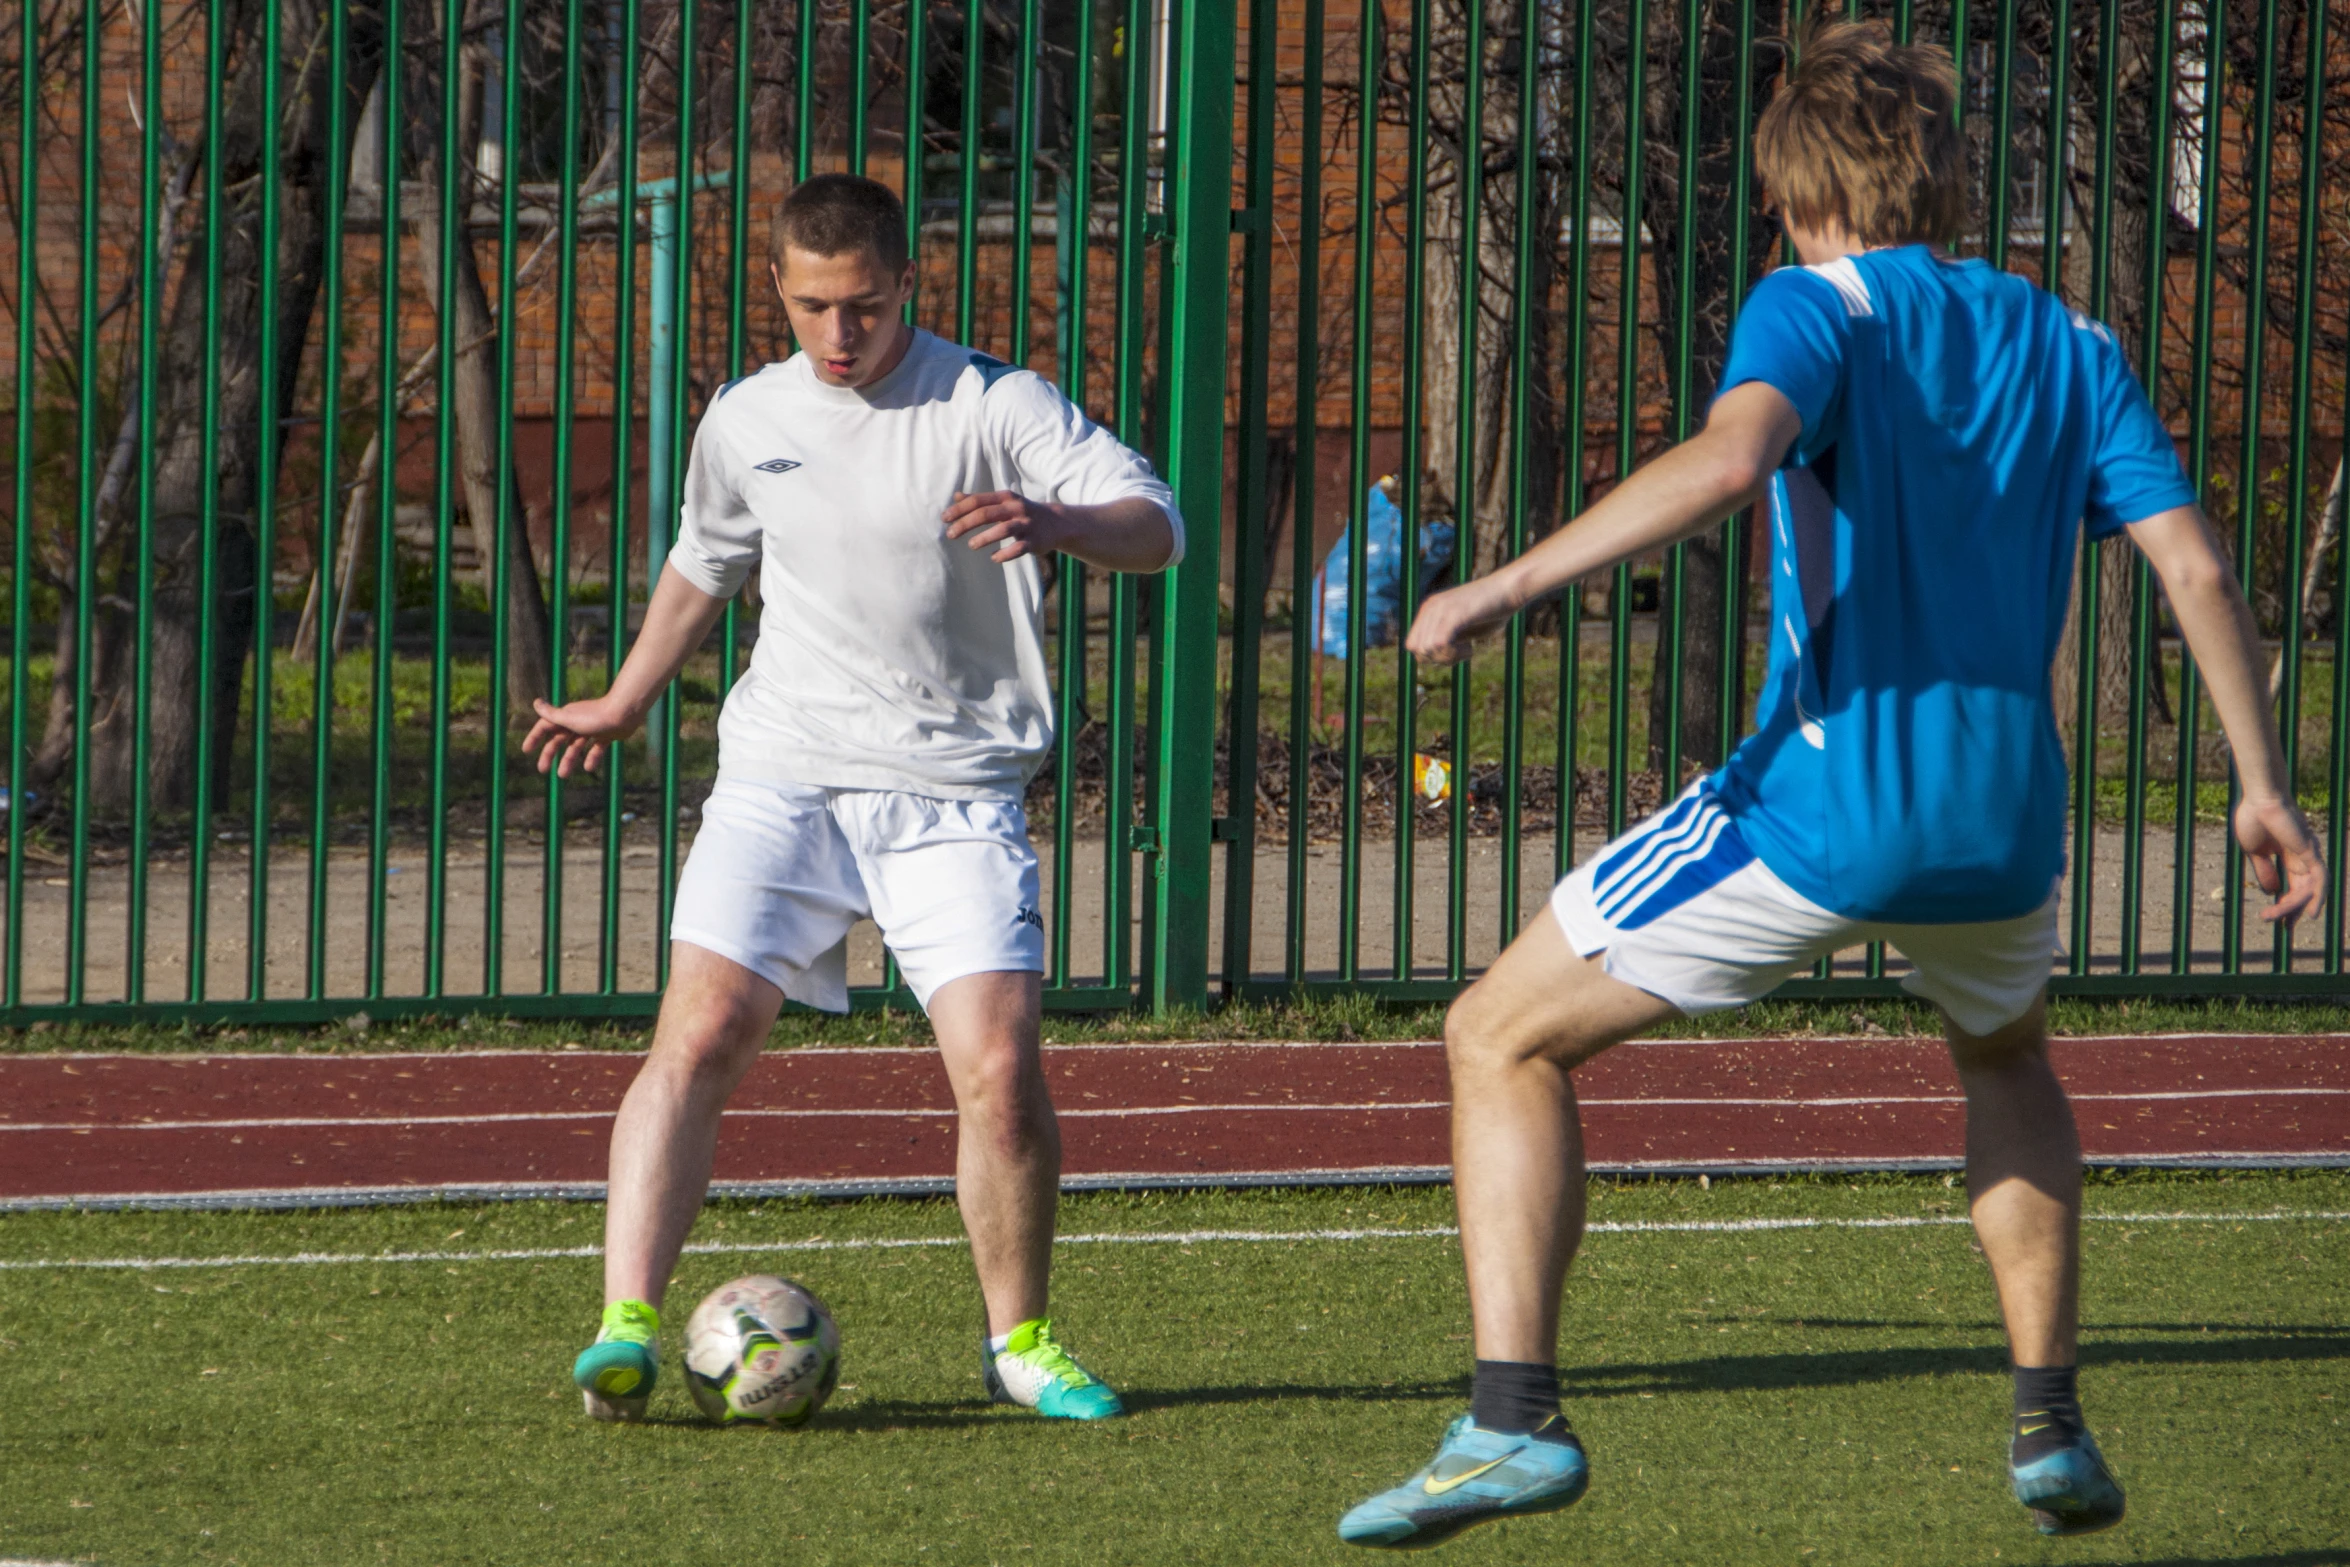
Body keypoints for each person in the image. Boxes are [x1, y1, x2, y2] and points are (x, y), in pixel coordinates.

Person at [1338, 18, 2324, 1550]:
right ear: (1943, 182)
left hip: (1829, 800)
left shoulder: (1815, 304)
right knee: (2005, 1067)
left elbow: (1731, 462)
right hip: (2006, 824)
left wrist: (1503, 583)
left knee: (1495, 1036)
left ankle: (1510, 1418)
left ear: (1794, 196)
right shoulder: (2075, 343)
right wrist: (2259, 783)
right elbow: (2193, 561)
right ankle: (2046, 1417)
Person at [526, 173, 1182, 1424]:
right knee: (701, 1034)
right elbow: (705, 562)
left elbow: (1155, 525)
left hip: (953, 789)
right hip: (783, 771)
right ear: (778, 289)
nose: (840, 336)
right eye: (815, 306)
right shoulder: (746, 415)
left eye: (866, 309)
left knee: (996, 1071)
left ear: (909, 288)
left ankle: (1021, 1344)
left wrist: (1055, 518)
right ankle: (623, 1326)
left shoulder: (995, 401)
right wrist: (622, 699)